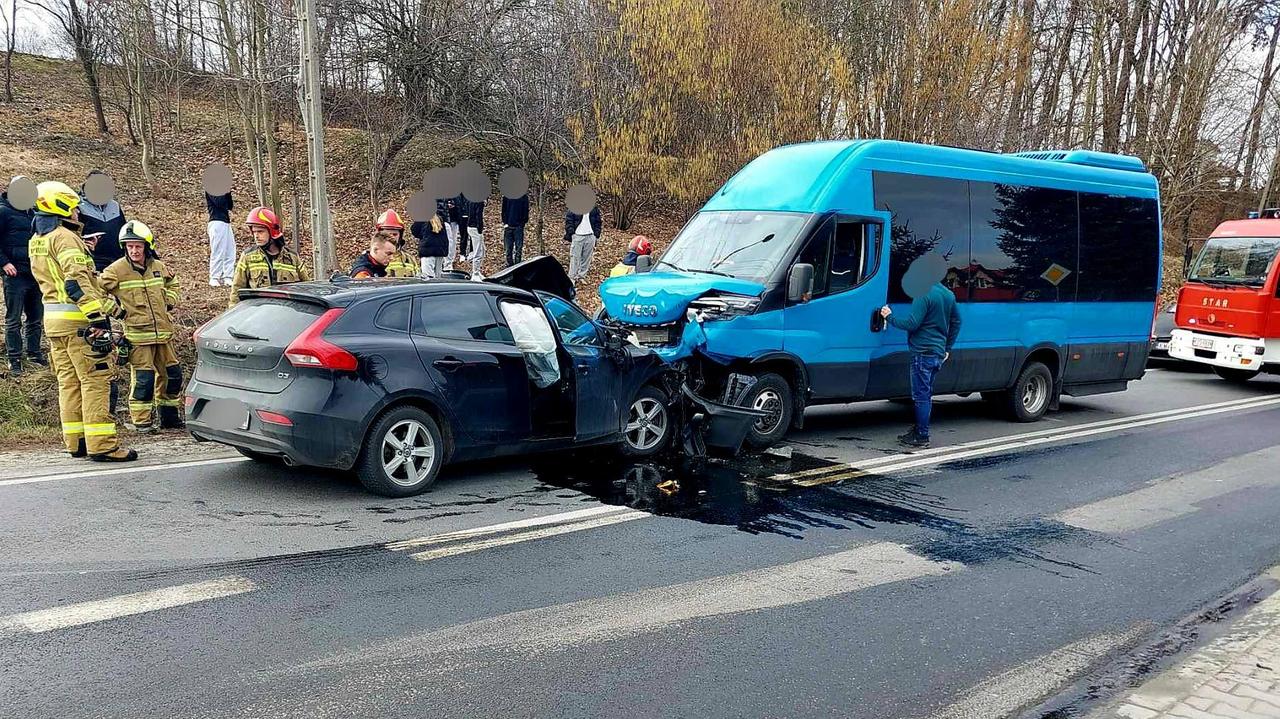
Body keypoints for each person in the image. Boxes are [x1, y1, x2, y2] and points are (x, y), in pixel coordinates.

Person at [29, 181, 135, 462]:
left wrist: (114, 308)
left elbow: (81, 281)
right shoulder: (64, 237)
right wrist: (98, 318)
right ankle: (103, 445)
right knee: (95, 381)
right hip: (79, 324)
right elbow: (77, 283)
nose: (78, 211)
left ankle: (76, 442)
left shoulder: (37, 238)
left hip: (53, 323)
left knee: (69, 383)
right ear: (61, 207)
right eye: (74, 207)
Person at [100, 221, 183, 433]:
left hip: (163, 335)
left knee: (172, 375)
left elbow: (173, 284)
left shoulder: (158, 266)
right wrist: (117, 312)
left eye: (138, 246)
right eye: (130, 247)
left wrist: (169, 301)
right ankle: (142, 421)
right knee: (144, 380)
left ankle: (169, 417)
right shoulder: (116, 270)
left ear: (146, 246)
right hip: (138, 337)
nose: (134, 250)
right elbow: (95, 292)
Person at [879, 282, 961, 448]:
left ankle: (921, 435)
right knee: (926, 394)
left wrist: (889, 316)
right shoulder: (948, 294)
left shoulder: (923, 293)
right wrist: (947, 348)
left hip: (923, 353)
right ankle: (917, 430)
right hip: (937, 353)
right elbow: (957, 322)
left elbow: (912, 324)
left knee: (920, 396)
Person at [0, 176, 44, 375]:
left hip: (35, 272)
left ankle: (34, 353)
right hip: (15, 274)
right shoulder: (3, 211)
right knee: (13, 319)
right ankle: (14, 358)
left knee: (35, 317)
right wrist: (4, 263)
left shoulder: (35, 213)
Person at [229, 206, 311, 307]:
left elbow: (307, 287)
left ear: (272, 231)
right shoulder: (248, 257)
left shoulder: (292, 257)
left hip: (287, 312)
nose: (256, 236)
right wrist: (235, 314)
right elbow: (237, 290)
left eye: (260, 231)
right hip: (259, 313)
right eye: (254, 232)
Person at [79, 169, 128, 273]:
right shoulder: (78, 207)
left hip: (117, 260)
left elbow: (124, 231)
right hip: (93, 261)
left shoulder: (114, 205)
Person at [564, 202, 602, 284]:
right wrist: (572, 233)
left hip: (590, 236)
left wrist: (596, 234)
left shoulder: (594, 208)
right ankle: (572, 278)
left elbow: (598, 221)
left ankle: (581, 276)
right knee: (575, 257)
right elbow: (569, 220)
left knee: (587, 258)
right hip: (578, 236)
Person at [205, 187, 235, 287]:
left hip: (226, 222)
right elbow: (219, 202)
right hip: (216, 221)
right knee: (218, 250)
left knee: (230, 250)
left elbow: (229, 205)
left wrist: (228, 192)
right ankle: (214, 277)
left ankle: (228, 276)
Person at [375, 209, 417, 278]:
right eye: (388, 234)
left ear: (400, 235)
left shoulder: (409, 259)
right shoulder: (373, 259)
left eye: (395, 234)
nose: (392, 238)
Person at [413, 210, 449, 279]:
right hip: (440, 251)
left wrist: (422, 236)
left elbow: (414, 230)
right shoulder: (439, 218)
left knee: (428, 278)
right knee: (438, 278)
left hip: (427, 251)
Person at [501, 190, 529, 268]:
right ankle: (509, 266)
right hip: (509, 226)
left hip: (518, 227)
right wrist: (505, 222)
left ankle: (517, 266)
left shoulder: (524, 197)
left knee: (518, 249)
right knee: (508, 249)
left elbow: (526, 211)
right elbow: (503, 210)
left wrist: (522, 223)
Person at [460, 195, 486, 280]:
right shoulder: (479, 201)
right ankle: (475, 273)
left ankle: (477, 271)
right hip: (475, 227)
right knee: (478, 251)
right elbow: (478, 215)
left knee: (482, 249)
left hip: (471, 226)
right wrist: (480, 228)